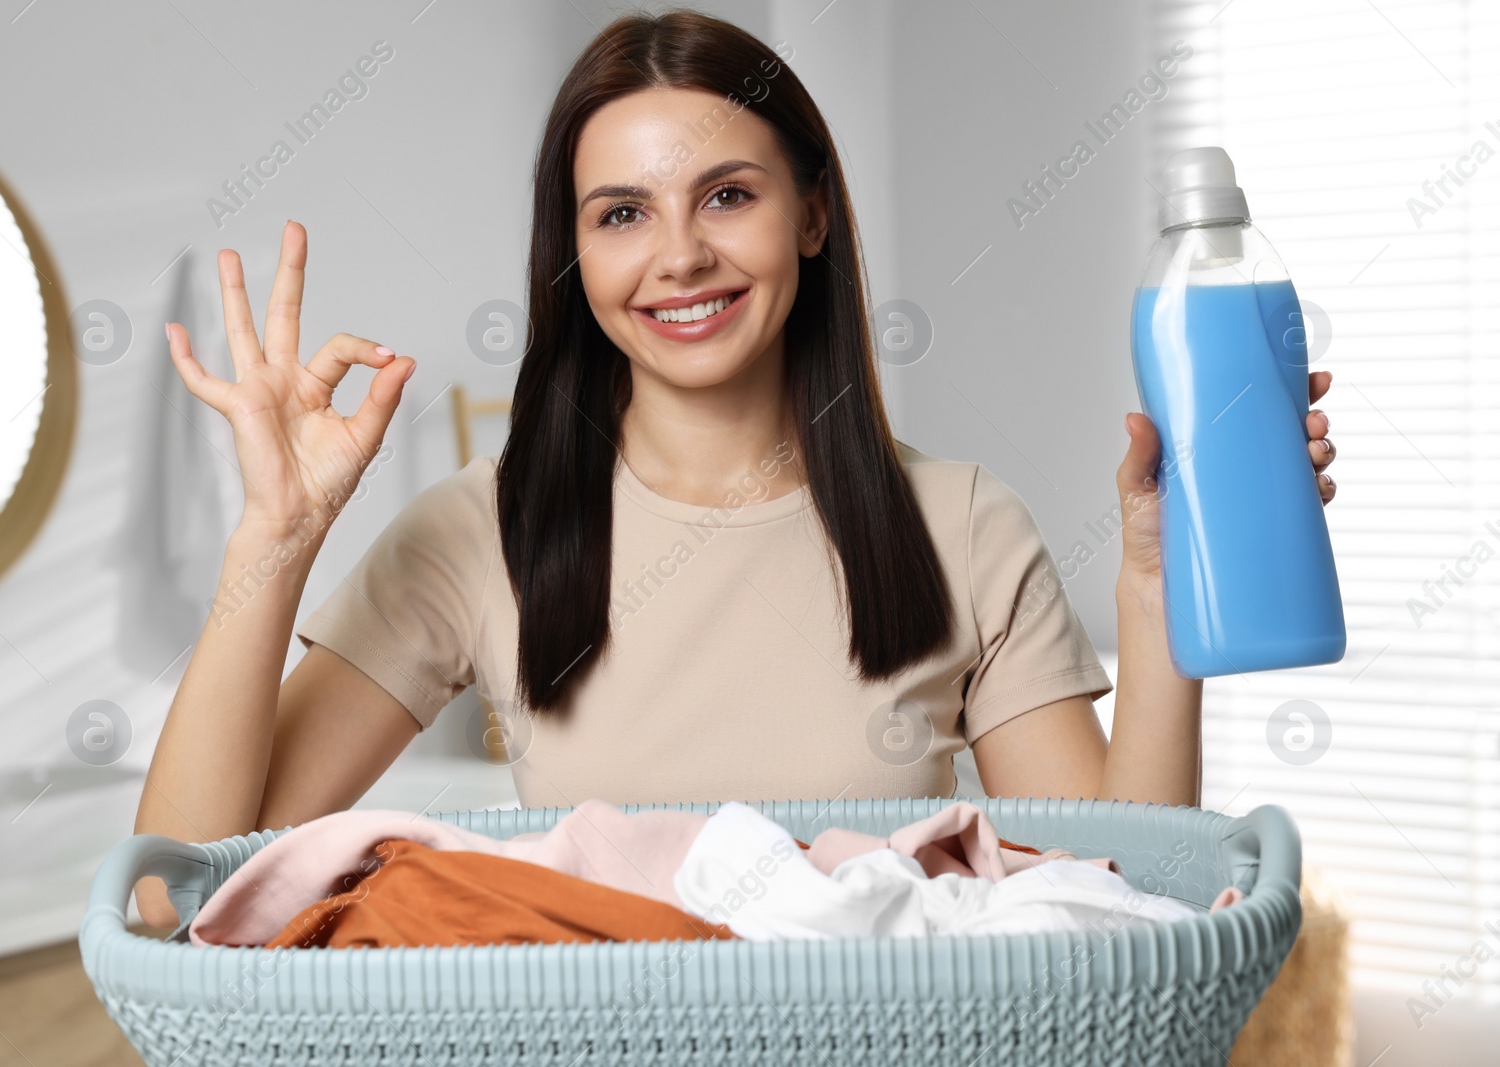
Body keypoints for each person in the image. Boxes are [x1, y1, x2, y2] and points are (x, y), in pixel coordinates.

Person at [132, 9, 1337, 930]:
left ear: (811, 215)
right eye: (620, 214)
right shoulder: (476, 535)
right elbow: (175, 892)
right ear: (575, 254)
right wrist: (274, 538)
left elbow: (1115, 894)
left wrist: (1155, 583)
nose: (680, 255)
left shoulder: (960, 524)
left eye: (727, 195)